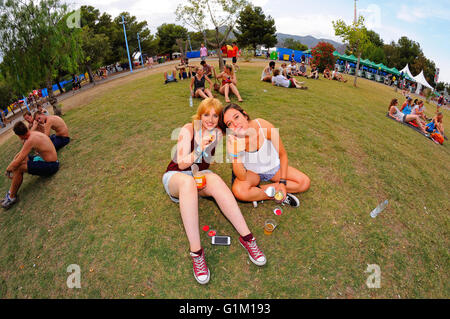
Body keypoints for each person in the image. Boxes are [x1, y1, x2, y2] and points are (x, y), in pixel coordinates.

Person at [162, 98, 266, 285]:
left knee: (216, 180)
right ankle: (197, 253)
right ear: (200, 115)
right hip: (177, 176)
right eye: (206, 114)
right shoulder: (188, 129)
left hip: (199, 175)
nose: (210, 119)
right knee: (187, 183)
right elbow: (182, 163)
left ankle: (248, 238)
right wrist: (201, 146)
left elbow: (239, 127)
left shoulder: (218, 132)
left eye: (215, 115)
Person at [219, 104, 310, 206]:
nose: (235, 124)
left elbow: (282, 154)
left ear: (244, 115)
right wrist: (235, 155)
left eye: (236, 117)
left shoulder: (264, 126)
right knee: (239, 191)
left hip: (274, 169)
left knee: (304, 182)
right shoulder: (233, 140)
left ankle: (259, 193)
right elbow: (241, 176)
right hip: (252, 174)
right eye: (230, 123)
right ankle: (274, 193)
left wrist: (282, 183)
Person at [2, 121, 59, 209]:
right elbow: (20, 154)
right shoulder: (32, 134)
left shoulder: (31, 140)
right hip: (48, 161)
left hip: (52, 166)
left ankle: (11, 197)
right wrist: (11, 165)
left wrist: (8, 170)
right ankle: (11, 194)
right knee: (21, 161)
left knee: (19, 167)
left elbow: (18, 160)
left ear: (19, 136)